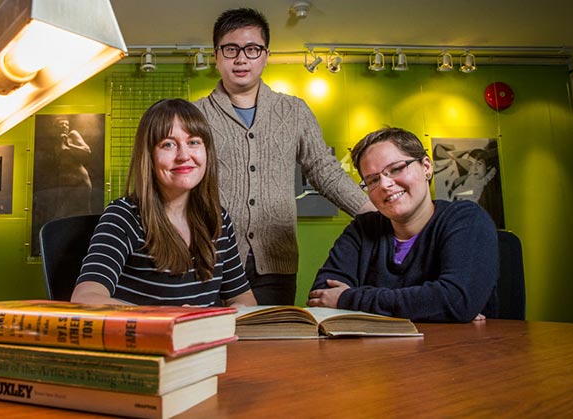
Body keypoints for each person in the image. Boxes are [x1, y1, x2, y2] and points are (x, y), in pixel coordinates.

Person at [194, 8, 375, 305]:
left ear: (265, 55)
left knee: (273, 347)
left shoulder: (294, 111)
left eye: (252, 49)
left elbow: (323, 170)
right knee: (211, 345)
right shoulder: (196, 115)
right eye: (231, 49)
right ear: (216, 55)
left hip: (275, 264)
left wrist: (375, 214)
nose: (241, 58)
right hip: (209, 261)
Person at [71, 99, 257, 308]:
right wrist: (165, 318)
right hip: (145, 339)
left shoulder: (218, 218)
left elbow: (242, 299)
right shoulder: (124, 216)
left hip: (202, 340)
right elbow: (86, 297)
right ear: (149, 157)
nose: (184, 155)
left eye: (194, 142)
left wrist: (224, 319)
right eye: (168, 144)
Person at [307, 127, 498, 322]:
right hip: (376, 351)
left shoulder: (466, 219)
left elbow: (456, 301)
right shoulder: (362, 229)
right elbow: (321, 296)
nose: (384, 184)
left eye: (396, 169)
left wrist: (347, 298)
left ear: (426, 167)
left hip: (456, 349)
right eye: (372, 180)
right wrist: (430, 305)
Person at [52, 117, 93, 218]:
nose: (65, 126)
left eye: (67, 124)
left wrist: (69, 145)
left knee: (84, 209)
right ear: (56, 127)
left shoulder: (72, 135)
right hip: (66, 182)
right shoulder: (56, 143)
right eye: (62, 124)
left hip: (80, 179)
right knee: (64, 211)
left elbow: (87, 150)